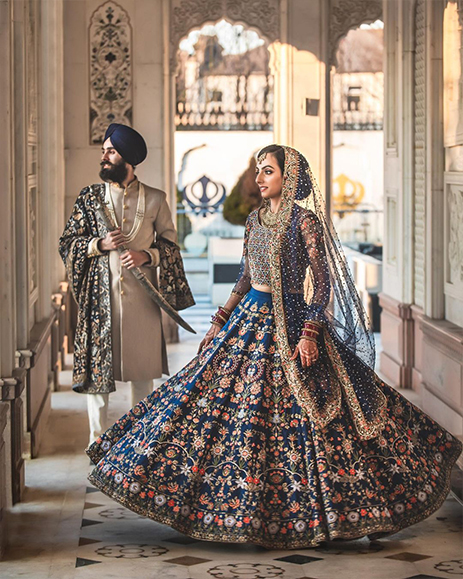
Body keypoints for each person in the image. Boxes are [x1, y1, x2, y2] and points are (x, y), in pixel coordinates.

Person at [86, 145, 461, 549]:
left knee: (322, 418)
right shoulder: (254, 220)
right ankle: (232, 507)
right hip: (248, 319)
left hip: (294, 325)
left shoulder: (305, 222)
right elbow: (245, 276)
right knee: (213, 408)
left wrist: (311, 332)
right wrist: (219, 320)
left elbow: (322, 282)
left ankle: (353, 507)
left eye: (268, 171)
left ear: (289, 176)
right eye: (258, 171)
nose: (259, 178)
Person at [59, 123, 194, 445]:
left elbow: (171, 245)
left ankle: (139, 442)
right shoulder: (89, 198)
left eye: (111, 151)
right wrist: (99, 245)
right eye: (104, 151)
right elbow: (68, 243)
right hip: (99, 301)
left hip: (141, 301)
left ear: (128, 159)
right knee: (97, 378)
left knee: (142, 373)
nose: (104, 156)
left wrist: (146, 256)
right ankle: (97, 442)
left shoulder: (157, 199)